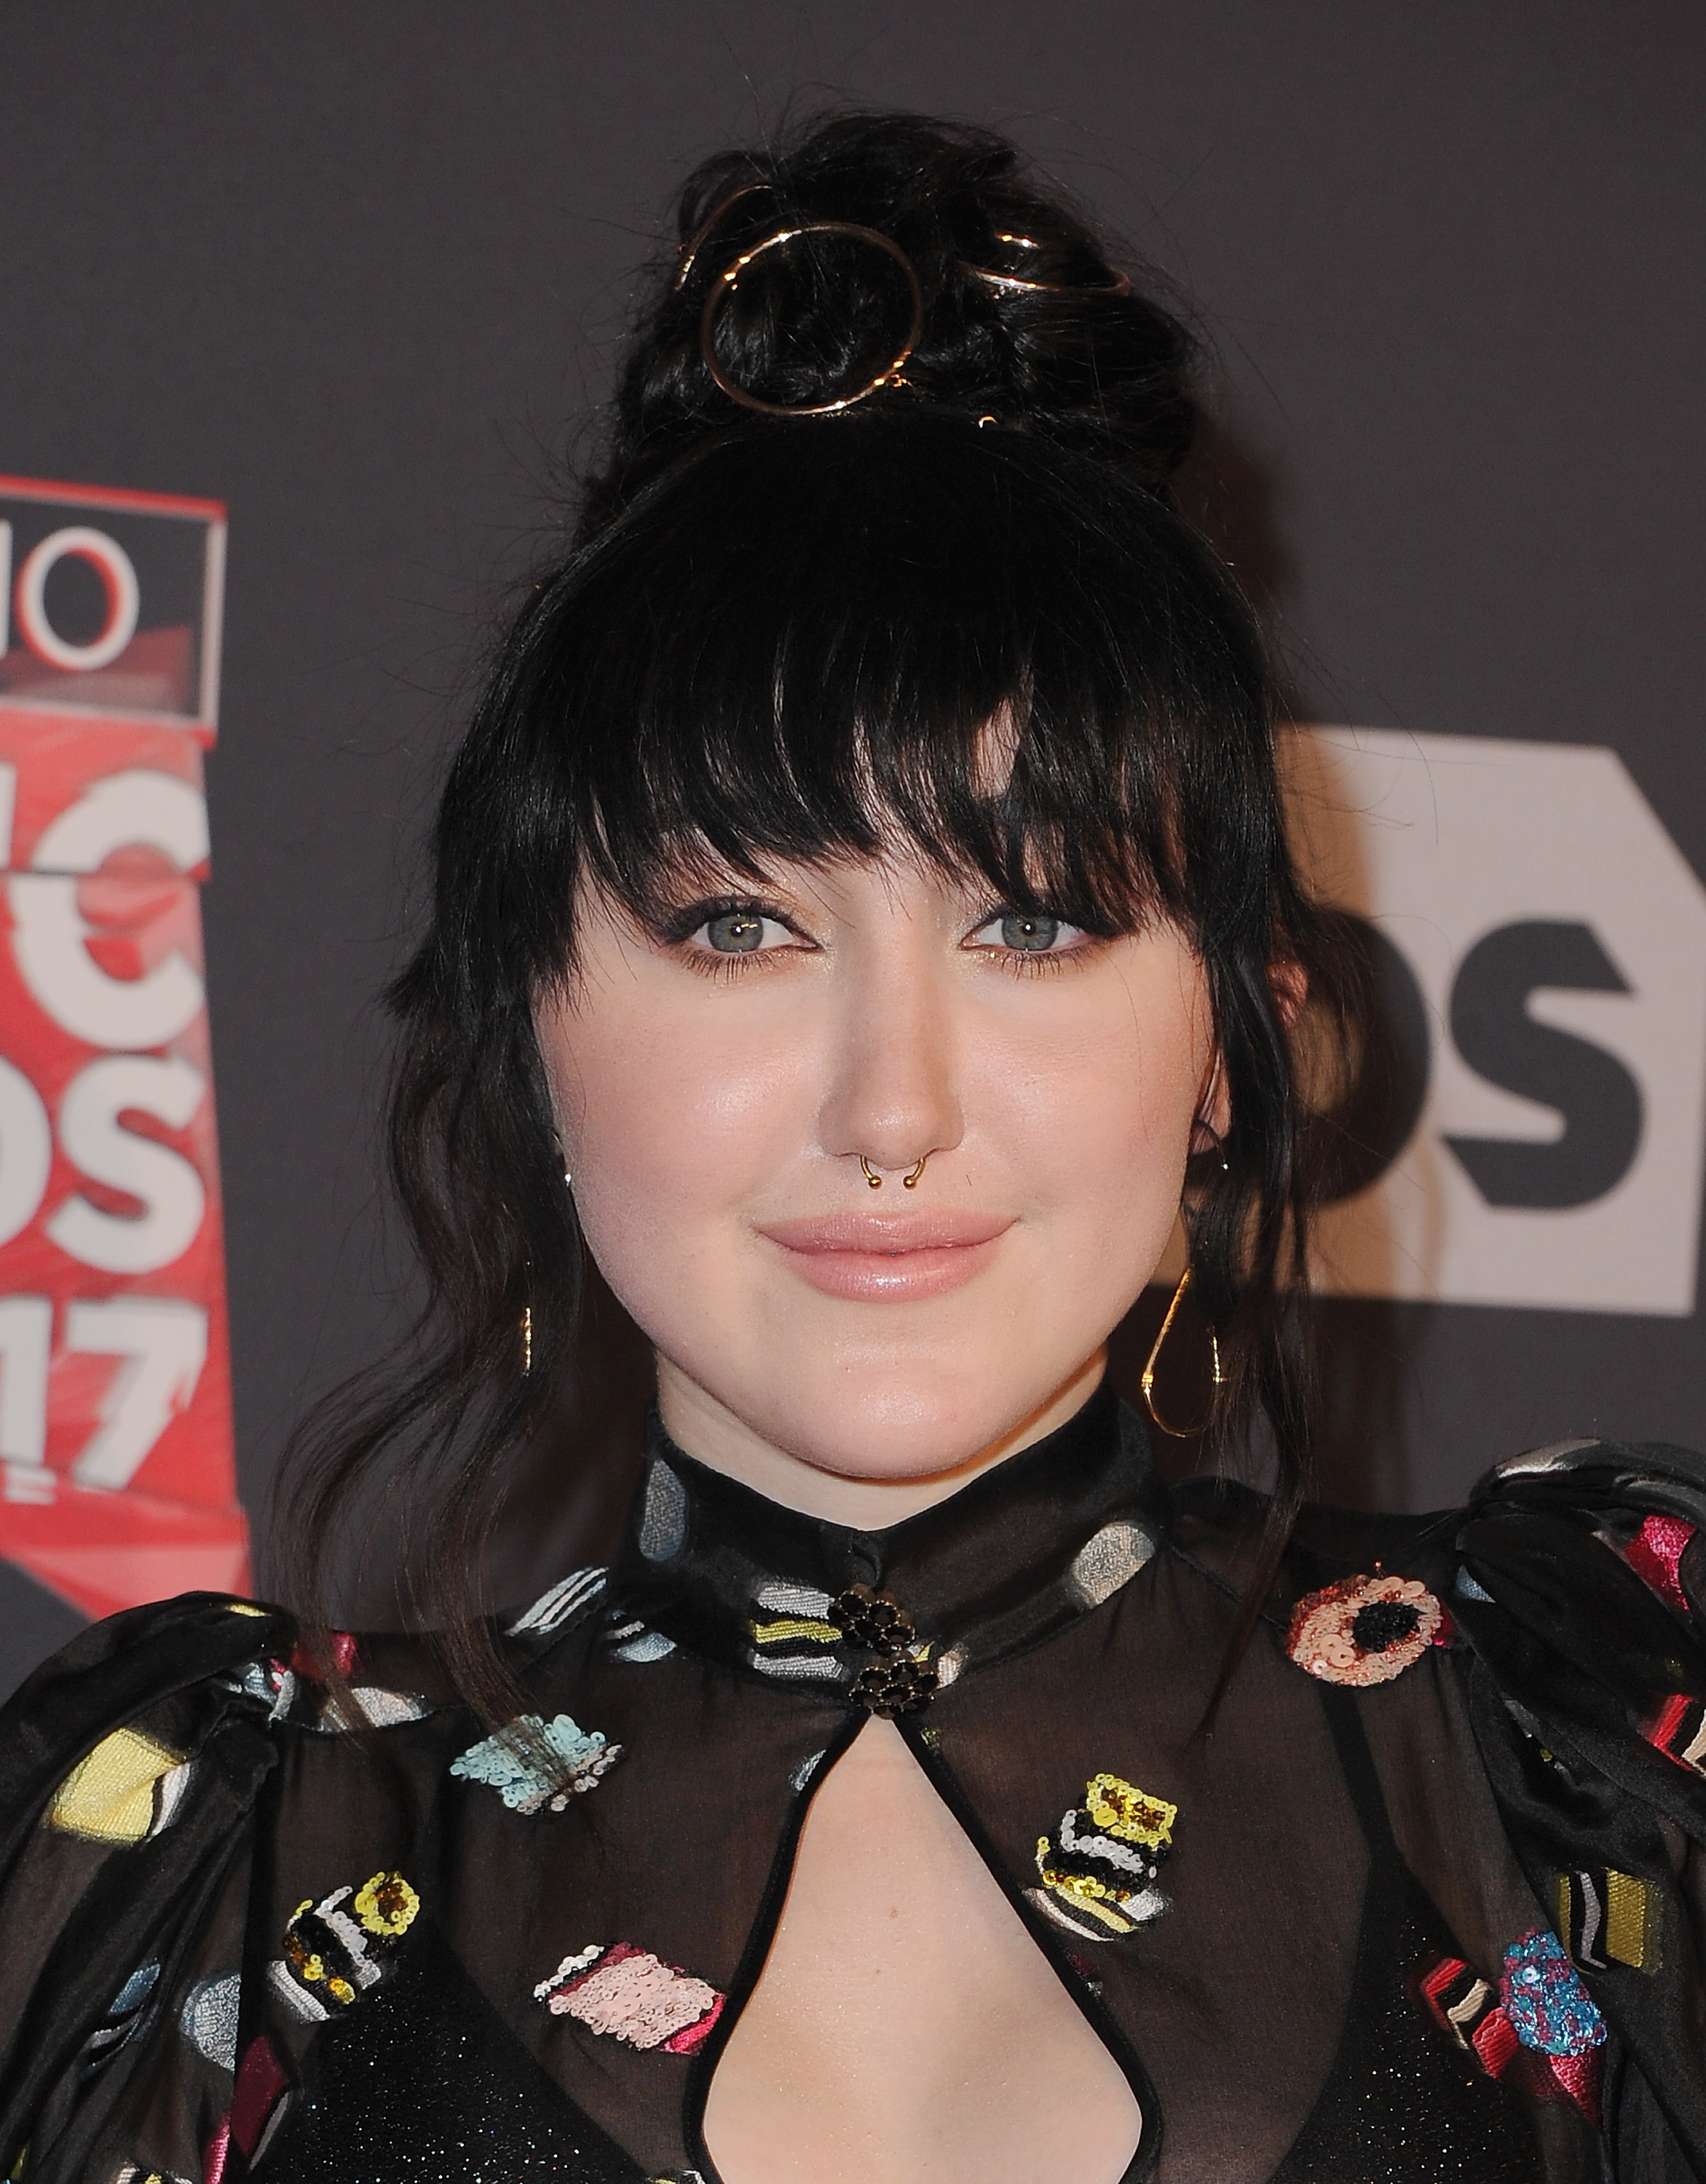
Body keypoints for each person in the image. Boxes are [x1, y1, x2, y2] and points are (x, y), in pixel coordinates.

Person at [1, 108, 1704, 2184]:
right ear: (526, 1027)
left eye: (1034, 924)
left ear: (1231, 1042)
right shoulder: (222, 1864)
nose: (893, 1107)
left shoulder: (1564, 1752)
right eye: (742, 929)